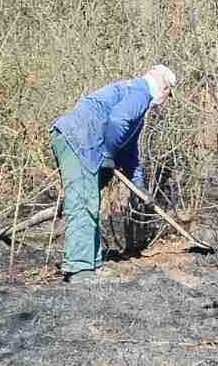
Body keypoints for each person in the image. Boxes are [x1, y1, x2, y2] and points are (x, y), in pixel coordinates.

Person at [50, 64, 177, 281]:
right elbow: (117, 120)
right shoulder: (140, 93)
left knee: (89, 201)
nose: (167, 99)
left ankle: (92, 264)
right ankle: (80, 270)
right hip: (79, 139)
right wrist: (108, 153)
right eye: (169, 93)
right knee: (82, 202)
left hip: (83, 141)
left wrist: (140, 189)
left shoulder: (136, 102)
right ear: (163, 87)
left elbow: (129, 154)